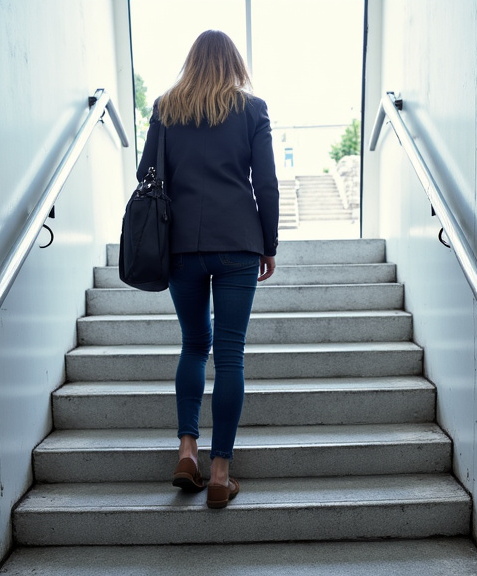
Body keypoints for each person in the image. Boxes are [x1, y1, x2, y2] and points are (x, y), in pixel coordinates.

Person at [135, 30, 279, 510]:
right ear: (234, 62)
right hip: (238, 242)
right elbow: (268, 182)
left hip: (180, 248)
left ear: (191, 61)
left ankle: (187, 451)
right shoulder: (252, 110)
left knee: (195, 345)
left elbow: (146, 173)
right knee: (230, 355)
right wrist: (269, 243)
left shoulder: (165, 107)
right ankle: (220, 474)